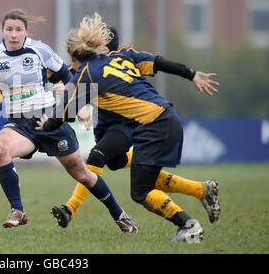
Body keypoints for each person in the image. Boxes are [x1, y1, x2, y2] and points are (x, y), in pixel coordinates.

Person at [37, 13, 220, 242]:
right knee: (131, 171)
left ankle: (189, 226)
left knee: (138, 189)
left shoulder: (87, 73)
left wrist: (45, 125)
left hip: (152, 124)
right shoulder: (121, 56)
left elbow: (62, 116)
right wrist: (191, 74)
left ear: (76, 55)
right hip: (161, 119)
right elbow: (160, 62)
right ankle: (200, 192)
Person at [0, 8, 137, 232]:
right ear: (2, 30)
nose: (14, 34)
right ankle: (17, 210)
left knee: (83, 174)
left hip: (48, 119)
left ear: (26, 31)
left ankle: (119, 214)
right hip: (19, 124)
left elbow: (68, 76)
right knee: (1, 149)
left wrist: (79, 105)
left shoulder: (40, 50)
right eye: (9, 29)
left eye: (18, 30)